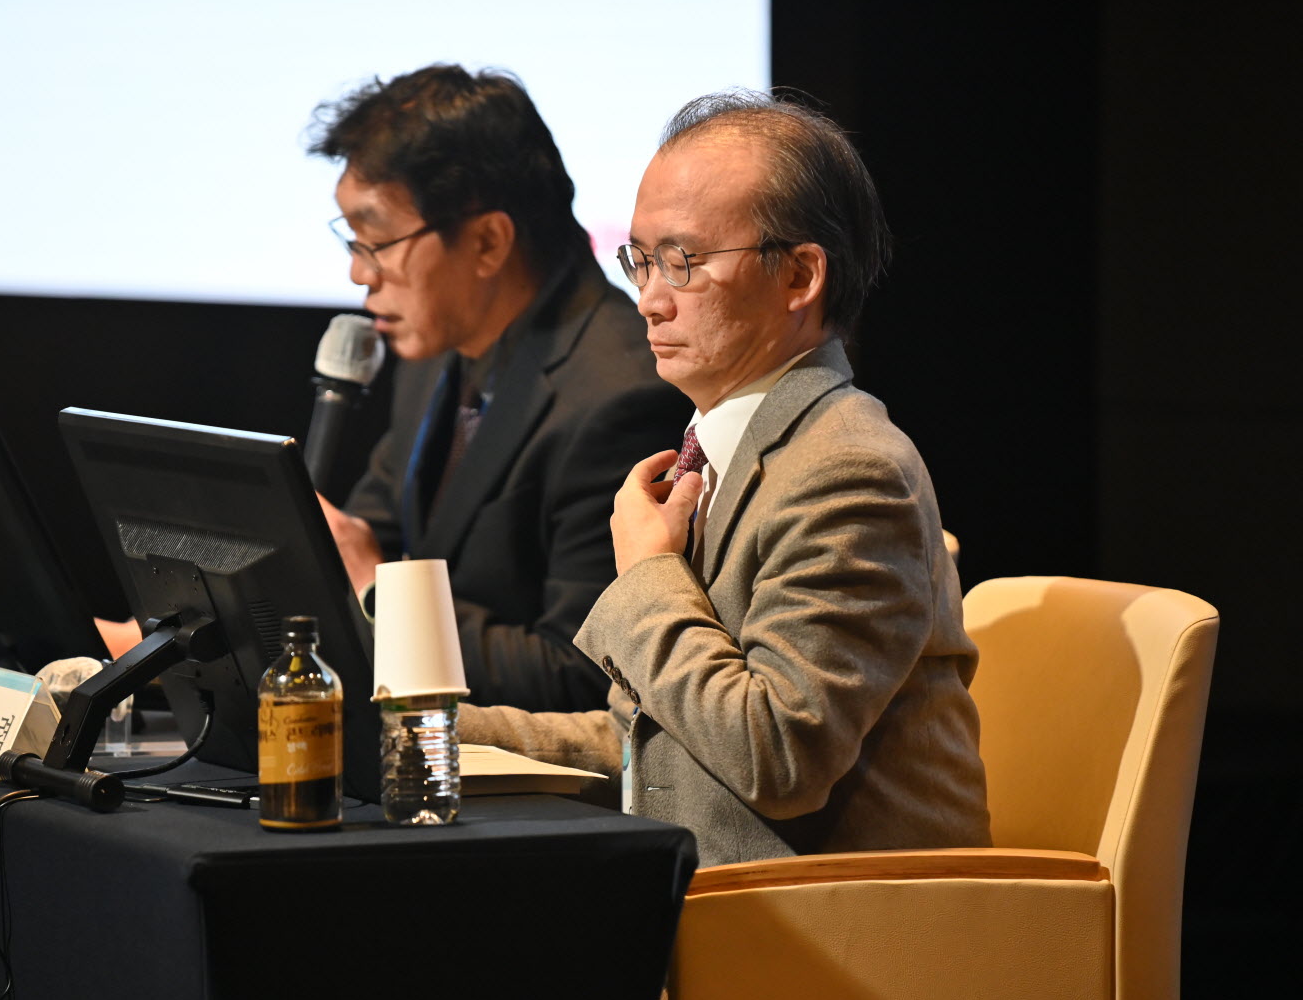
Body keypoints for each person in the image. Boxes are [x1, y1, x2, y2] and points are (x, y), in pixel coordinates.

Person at [459, 90, 991, 867]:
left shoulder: (849, 469)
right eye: (640, 261)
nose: (649, 301)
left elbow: (776, 759)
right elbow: (655, 746)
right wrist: (431, 731)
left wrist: (649, 574)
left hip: (830, 919)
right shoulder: (721, 452)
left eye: (683, 262)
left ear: (800, 276)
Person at [307, 64, 690, 713]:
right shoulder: (437, 350)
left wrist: (378, 594)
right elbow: (366, 535)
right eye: (353, 240)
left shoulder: (619, 393)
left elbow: (583, 673)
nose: (358, 274)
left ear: (487, 242)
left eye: (378, 242)